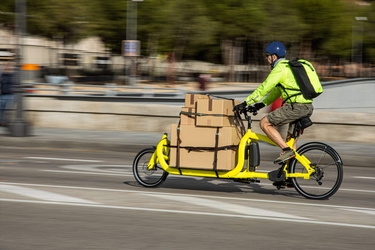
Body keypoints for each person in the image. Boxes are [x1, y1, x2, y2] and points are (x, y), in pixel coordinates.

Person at [243, 41, 316, 164]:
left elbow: (264, 88)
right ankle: (289, 179)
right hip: (306, 107)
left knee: (264, 123)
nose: (266, 58)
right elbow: (277, 91)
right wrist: (261, 104)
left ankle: (286, 150)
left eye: (267, 55)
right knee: (290, 141)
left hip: (296, 107)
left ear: (274, 56)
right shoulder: (288, 68)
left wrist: (246, 103)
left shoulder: (280, 69)